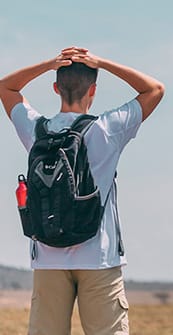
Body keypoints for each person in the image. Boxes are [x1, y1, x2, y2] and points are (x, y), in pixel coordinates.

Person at [0, 47, 164, 334]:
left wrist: (49, 64)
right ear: (93, 90)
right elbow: (154, 89)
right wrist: (102, 62)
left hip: (47, 255)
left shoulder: (37, 130)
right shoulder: (107, 129)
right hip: (99, 256)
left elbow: (6, 87)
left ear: (55, 88)